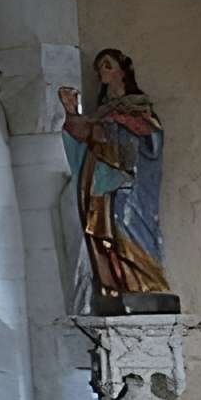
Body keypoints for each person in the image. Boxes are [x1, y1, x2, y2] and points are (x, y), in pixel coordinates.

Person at [59, 47, 171, 308]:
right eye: (99, 68)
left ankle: (147, 284)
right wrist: (72, 115)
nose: (102, 72)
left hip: (134, 187)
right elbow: (80, 138)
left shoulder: (138, 106)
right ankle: (115, 285)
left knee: (133, 228)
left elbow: (153, 140)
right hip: (105, 185)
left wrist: (119, 122)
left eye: (107, 65)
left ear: (123, 70)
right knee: (105, 235)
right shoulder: (102, 112)